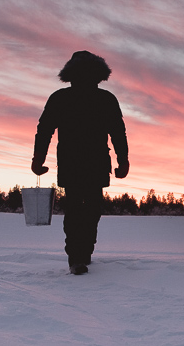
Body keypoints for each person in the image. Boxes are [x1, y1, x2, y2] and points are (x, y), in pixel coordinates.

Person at [32, 51, 129, 275]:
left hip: (87, 162)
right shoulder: (63, 98)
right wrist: (38, 159)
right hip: (77, 162)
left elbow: (118, 132)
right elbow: (44, 130)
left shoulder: (104, 99)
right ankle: (78, 256)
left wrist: (123, 160)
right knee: (80, 208)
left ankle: (81, 254)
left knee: (87, 208)